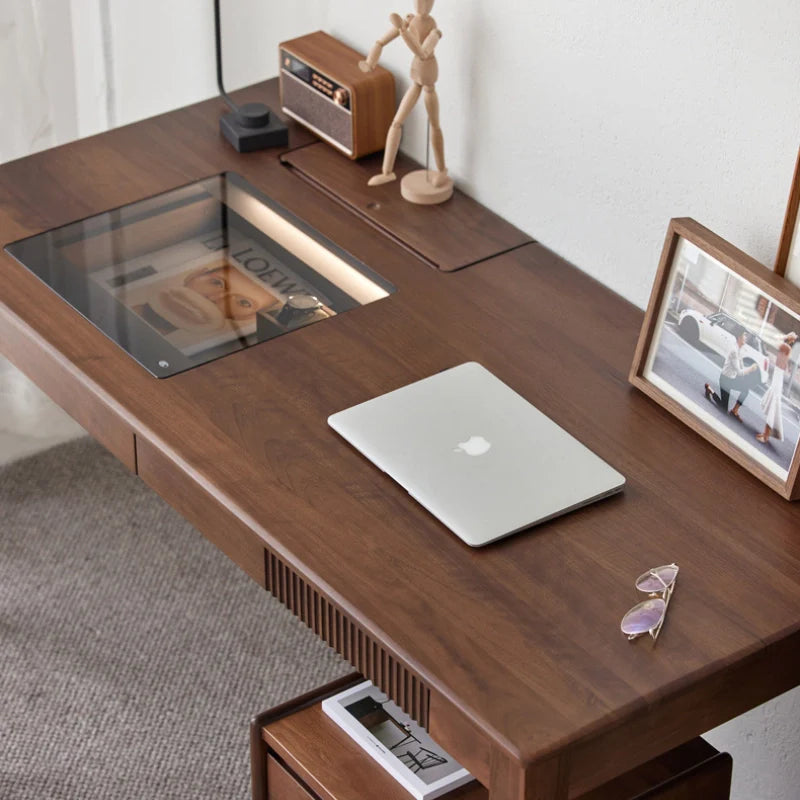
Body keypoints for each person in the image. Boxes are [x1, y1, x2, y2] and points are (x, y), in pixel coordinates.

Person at [704, 331, 760, 420]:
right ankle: (710, 390)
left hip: (731, 380)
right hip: (725, 380)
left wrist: (749, 369)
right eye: (744, 335)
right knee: (723, 408)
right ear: (739, 338)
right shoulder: (734, 351)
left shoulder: (739, 350)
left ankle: (734, 410)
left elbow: (741, 367)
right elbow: (739, 372)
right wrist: (751, 369)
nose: (746, 337)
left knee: (745, 390)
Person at [756, 332, 798, 444]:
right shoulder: (786, 347)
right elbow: (786, 366)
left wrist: (786, 337)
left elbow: (774, 339)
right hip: (777, 375)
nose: (793, 341)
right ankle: (766, 434)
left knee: (773, 405)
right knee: (772, 405)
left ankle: (766, 436)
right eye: (793, 339)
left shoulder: (786, 347)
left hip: (778, 376)